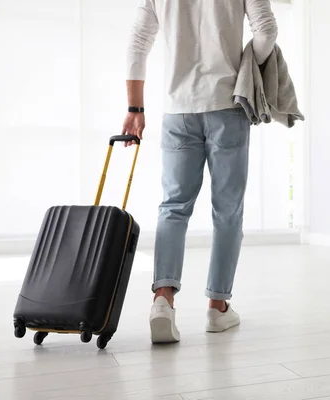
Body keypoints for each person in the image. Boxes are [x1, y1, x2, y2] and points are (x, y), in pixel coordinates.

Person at [122, 0, 278, 343]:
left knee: (173, 207)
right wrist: (248, 65)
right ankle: (217, 307)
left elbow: (137, 43)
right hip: (227, 106)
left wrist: (135, 108)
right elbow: (266, 32)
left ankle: (162, 300)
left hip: (177, 109)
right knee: (227, 210)